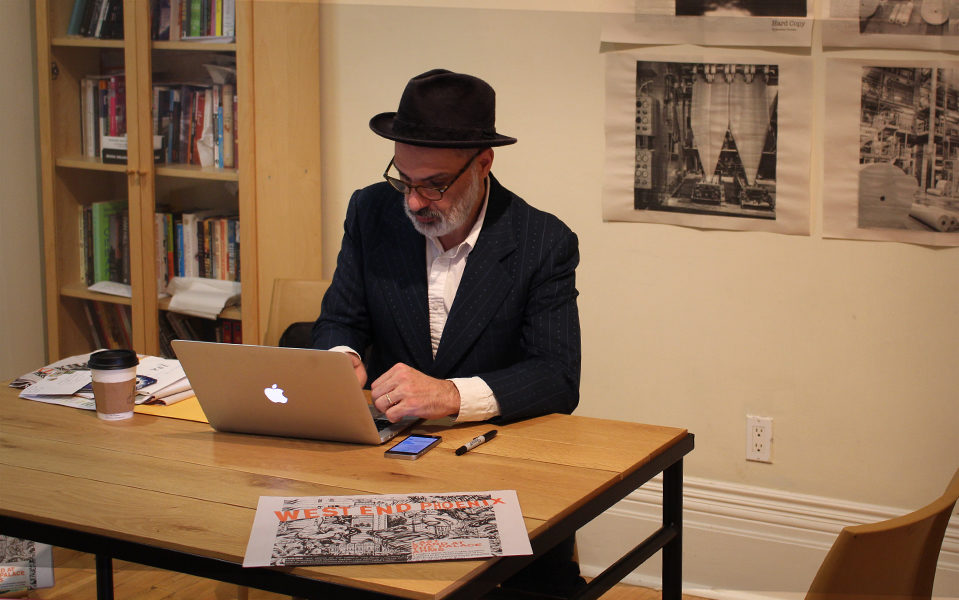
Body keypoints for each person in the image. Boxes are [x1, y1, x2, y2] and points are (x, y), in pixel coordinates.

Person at [311, 69, 584, 597]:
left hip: (499, 467)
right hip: (385, 467)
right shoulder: (371, 211)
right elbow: (340, 320)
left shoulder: (541, 241)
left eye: (434, 184)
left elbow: (556, 376)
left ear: (484, 163)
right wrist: (340, 356)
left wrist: (451, 394)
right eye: (404, 180)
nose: (414, 202)